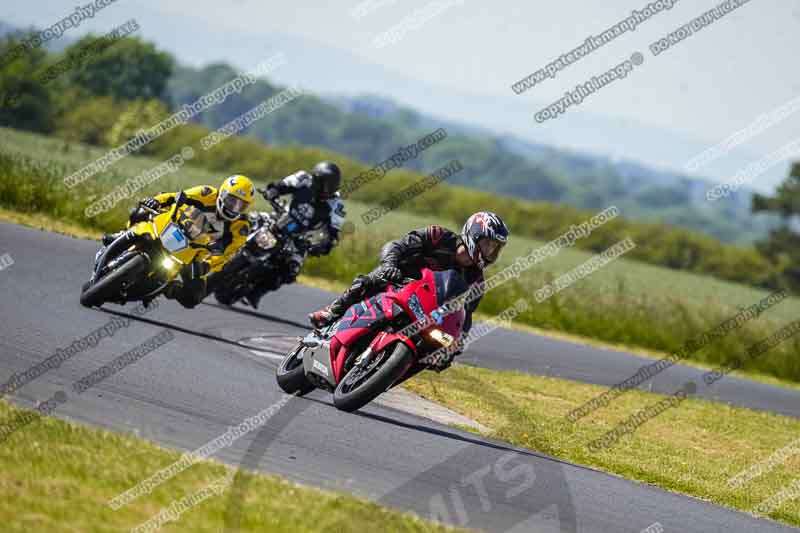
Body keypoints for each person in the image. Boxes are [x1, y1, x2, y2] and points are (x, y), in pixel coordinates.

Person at [309, 211, 509, 370]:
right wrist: (390, 264)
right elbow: (398, 245)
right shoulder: (438, 235)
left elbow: (465, 316)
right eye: (488, 244)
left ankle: (387, 367)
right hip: (398, 277)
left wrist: (457, 344)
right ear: (474, 234)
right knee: (367, 282)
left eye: (495, 248)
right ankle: (332, 311)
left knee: (433, 350)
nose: (491, 252)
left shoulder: (476, 279)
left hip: (426, 308)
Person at [97, 175, 256, 308]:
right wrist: (157, 201)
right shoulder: (206, 193)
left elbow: (226, 254)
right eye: (231, 200)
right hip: (174, 228)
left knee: (194, 297)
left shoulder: (241, 227)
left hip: (195, 255)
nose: (234, 207)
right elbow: (175, 196)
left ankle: (169, 289)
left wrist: (207, 265)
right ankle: (123, 234)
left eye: (241, 205)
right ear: (222, 193)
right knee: (140, 211)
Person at [245, 161, 346, 307]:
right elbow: (281, 185)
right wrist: (273, 191)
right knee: (250, 220)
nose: (324, 188)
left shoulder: (337, 205)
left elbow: (333, 233)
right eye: (321, 182)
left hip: (300, 238)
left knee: (292, 270)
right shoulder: (303, 178)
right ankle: (222, 251)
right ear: (314, 178)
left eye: (328, 185)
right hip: (281, 217)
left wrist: (323, 245)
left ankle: (257, 292)